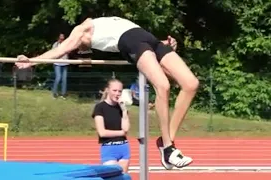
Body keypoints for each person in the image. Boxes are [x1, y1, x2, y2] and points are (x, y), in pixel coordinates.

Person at [15, 16, 199, 170]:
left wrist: (166, 44)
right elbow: (61, 50)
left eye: (82, 49)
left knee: (191, 84)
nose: (83, 49)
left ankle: (166, 141)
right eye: (82, 50)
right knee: (163, 86)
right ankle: (168, 150)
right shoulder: (80, 33)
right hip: (131, 42)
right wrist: (32, 61)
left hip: (149, 38)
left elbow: (68, 47)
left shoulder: (87, 25)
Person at [91, 78, 131, 172]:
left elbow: (126, 129)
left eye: (119, 91)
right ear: (108, 90)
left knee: (123, 178)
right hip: (109, 148)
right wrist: (121, 133)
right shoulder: (100, 107)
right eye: (114, 90)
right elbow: (102, 132)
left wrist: (124, 111)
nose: (117, 94)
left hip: (123, 148)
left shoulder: (121, 108)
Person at [52, 33, 69, 99]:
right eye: (60, 38)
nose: (62, 39)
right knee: (58, 78)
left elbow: (69, 51)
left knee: (64, 79)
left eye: (63, 37)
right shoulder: (55, 44)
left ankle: (63, 94)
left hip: (65, 63)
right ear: (58, 38)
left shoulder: (66, 44)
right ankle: (54, 93)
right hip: (57, 63)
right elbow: (53, 52)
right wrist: (58, 44)